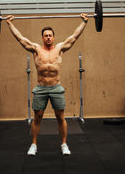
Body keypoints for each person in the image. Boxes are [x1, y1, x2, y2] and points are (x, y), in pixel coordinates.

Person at [6, 13, 89, 155]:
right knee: (37, 117)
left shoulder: (60, 48)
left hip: (56, 87)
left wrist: (84, 22)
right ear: (42, 37)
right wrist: (9, 23)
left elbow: (74, 37)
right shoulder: (36, 49)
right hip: (41, 88)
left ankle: (64, 144)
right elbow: (20, 38)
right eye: (46, 35)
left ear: (53, 37)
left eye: (50, 35)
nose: (48, 37)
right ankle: (33, 145)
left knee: (60, 116)